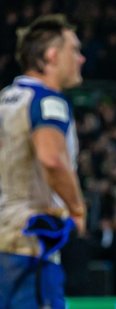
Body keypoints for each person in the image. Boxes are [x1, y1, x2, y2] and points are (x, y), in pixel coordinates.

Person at [0, 14, 87, 309]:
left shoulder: (5, 99)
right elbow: (52, 159)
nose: (81, 58)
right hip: (27, 244)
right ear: (51, 55)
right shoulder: (48, 101)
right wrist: (76, 209)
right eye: (73, 50)